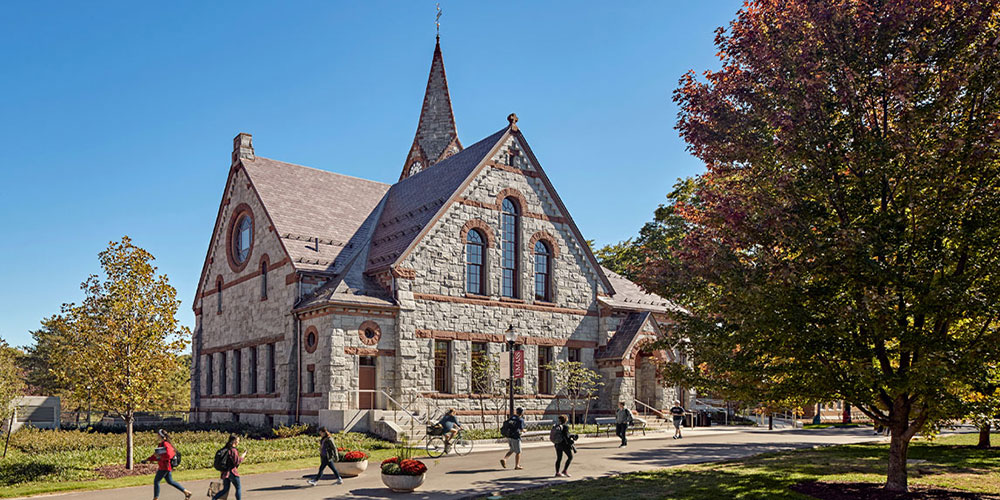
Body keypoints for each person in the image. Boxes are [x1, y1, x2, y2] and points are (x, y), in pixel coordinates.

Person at [145, 429, 192, 500]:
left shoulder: (166, 444)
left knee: (156, 481)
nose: (157, 436)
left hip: (165, 467)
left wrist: (159, 458)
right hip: (164, 466)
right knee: (170, 481)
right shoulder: (161, 444)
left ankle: (155, 498)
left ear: (162, 436)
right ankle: (186, 492)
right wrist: (148, 459)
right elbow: (156, 455)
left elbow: (169, 455)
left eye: (158, 435)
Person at [212, 434, 246, 500]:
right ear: (234, 441)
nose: (238, 442)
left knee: (225, 489)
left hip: (225, 472)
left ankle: (215, 498)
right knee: (238, 487)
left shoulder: (226, 449)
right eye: (238, 440)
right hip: (232, 472)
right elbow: (236, 462)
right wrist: (242, 456)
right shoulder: (233, 450)